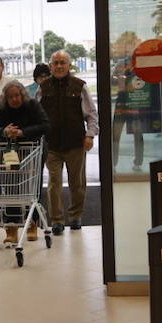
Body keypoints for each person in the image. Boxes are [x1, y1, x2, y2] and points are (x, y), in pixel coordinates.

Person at [37, 49, 97, 235]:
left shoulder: (80, 86)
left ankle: (76, 216)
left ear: (69, 65)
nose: (59, 66)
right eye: (56, 63)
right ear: (51, 66)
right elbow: (36, 114)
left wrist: (90, 135)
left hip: (76, 144)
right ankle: (57, 220)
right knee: (54, 183)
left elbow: (91, 114)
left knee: (77, 183)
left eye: (63, 62)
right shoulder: (43, 87)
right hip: (51, 145)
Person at [0, 80, 48, 243]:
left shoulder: (32, 105)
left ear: (22, 94)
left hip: (32, 150)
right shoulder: (0, 108)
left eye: (17, 95)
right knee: (11, 188)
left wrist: (22, 132)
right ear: (6, 98)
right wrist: (4, 131)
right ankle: (11, 228)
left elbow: (45, 125)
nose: (15, 99)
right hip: (9, 153)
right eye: (11, 97)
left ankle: (32, 223)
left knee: (31, 188)